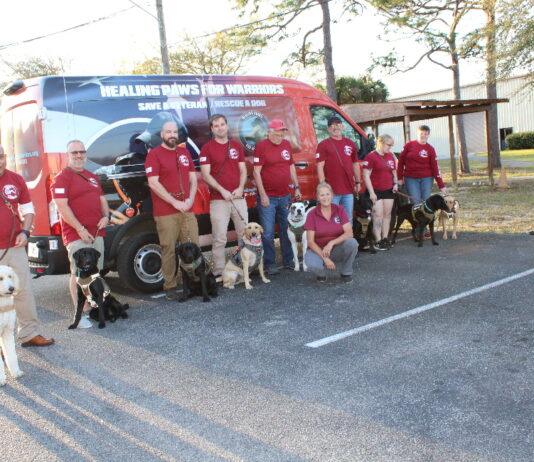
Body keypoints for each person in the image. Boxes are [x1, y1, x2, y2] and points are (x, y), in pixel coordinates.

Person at [0, 145, 54, 347]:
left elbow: (28, 209)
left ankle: (29, 333)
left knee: (23, 290)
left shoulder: (16, 179)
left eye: (1, 156)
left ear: (5, 157)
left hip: (15, 246)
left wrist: (25, 231)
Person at [52, 140, 110, 328]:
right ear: (67, 155)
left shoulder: (92, 177)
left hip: (97, 232)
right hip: (77, 235)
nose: (78, 155)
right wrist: (80, 229)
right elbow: (62, 206)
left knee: (95, 273)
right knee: (78, 274)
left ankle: (92, 307)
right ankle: (81, 314)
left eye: (81, 152)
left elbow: (102, 199)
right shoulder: (62, 178)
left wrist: (106, 216)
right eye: (74, 152)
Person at [145, 121, 199, 300]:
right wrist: (175, 202)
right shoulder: (154, 154)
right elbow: (154, 183)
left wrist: (190, 199)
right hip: (166, 211)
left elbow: (193, 179)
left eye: (175, 132)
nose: (172, 135)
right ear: (162, 134)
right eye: (168, 132)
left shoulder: (184, 152)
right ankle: (170, 286)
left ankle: (195, 283)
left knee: (193, 247)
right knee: (169, 249)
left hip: (187, 209)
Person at [200, 114, 248, 278]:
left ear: (227, 126)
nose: (220, 128)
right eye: (216, 125)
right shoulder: (207, 148)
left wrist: (241, 187)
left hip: (238, 198)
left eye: (222, 124)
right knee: (220, 238)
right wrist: (222, 191)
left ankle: (244, 268)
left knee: (245, 236)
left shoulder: (236, 146)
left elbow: (243, 170)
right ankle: (219, 272)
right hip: (219, 200)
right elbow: (206, 175)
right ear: (212, 129)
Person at [253, 119, 301, 275]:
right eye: (278, 132)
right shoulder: (261, 146)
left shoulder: (286, 144)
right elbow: (256, 172)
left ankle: (288, 260)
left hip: (285, 195)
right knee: (267, 232)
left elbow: (291, 166)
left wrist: (297, 186)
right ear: (270, 132)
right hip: (269, 197)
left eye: (282, 132)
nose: (280, 136)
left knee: (286, 229)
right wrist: (263, 195)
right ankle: (270, 263)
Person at [397, 125, 448, 237]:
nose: (423, 135)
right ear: (417, 134)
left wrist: (441, 185)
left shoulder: (430, 149)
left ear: (428, 135)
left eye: (426, 134)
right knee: (416, 203)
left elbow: (435, 168)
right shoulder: (409, 145)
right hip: (411, 178)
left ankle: (422, 229)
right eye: (421, 133)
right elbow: (400, 162)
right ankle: (419, 229)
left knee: (425, 203)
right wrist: (399, 177)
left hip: (426, 178)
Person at [304, 183, 358, 283]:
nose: (325, 197)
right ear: (317, 197)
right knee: (311, 263)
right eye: (322, 195)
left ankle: (346, 272)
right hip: (318, 250)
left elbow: (349, 233)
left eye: (328, 194)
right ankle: (321, 273)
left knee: (352, 242)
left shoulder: (340, 210)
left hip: (336, 249)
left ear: (332, 195)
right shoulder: (312, 214)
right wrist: (325, 258)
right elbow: (310, 242)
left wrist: (331, 243)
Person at [316, 115, 362, 221]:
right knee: (332, 220)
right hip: (331, 191)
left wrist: (358, 182)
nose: (335, 127)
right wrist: (323, 187)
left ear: (342, 126)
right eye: (332, 125)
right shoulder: (323, 145)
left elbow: (355, 164)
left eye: (337, 125)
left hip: (348, 190)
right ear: (328, 129)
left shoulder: (350, 143)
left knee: (347, 219)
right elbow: (320, 166)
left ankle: (347, 238)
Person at [362, 134, 398, 251]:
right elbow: (366, 175)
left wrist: (395, 183)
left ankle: (385, 238)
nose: (390, 148)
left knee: (387, 215)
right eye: (388, 145)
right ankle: (377, 240)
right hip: (376, 191)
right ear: (381, 143)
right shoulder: (371, 156)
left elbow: (393, 171)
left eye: (391, 145)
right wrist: (372, 193)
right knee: (378, 216)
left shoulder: (390, 156)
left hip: (388, 190)